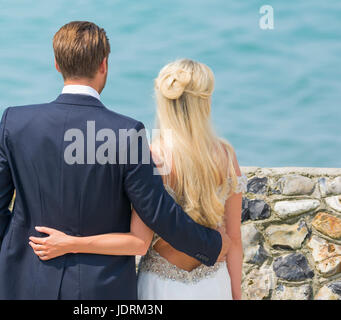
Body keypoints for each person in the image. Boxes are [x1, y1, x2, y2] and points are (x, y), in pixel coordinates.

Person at [0, 21, 230, 300]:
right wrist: (211, 245)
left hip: (27, 283)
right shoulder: (127, 133)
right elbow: (157, 212)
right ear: (104, 65)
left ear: (57, 64)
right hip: (99, 290)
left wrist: (16, 263)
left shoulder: (14, 122)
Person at [29, 59, 246, 300]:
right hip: (214, 286)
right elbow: (234, 240)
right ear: (205, 101)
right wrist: (236, 294)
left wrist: (70, 243)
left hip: (161, 288)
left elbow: (138, 244)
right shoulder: (226, 155)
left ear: (163, 101)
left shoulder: (152, 156)